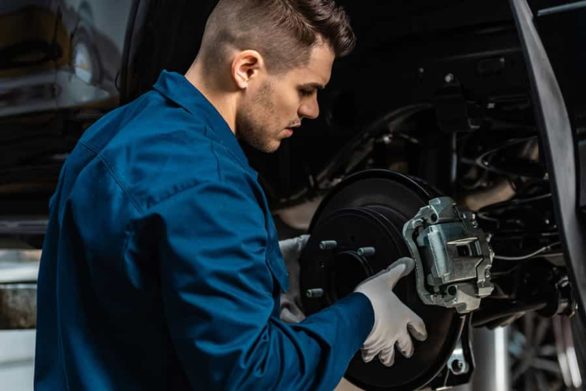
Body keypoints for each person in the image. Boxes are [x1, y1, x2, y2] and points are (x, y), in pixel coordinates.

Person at [34, 0, 427, 390]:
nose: (311, 110)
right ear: (247, 68)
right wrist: (363, 314)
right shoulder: (210, 183)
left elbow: (134, 289)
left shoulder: (109, 133)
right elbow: (254, 377)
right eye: (305, 89)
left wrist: (264, 268)